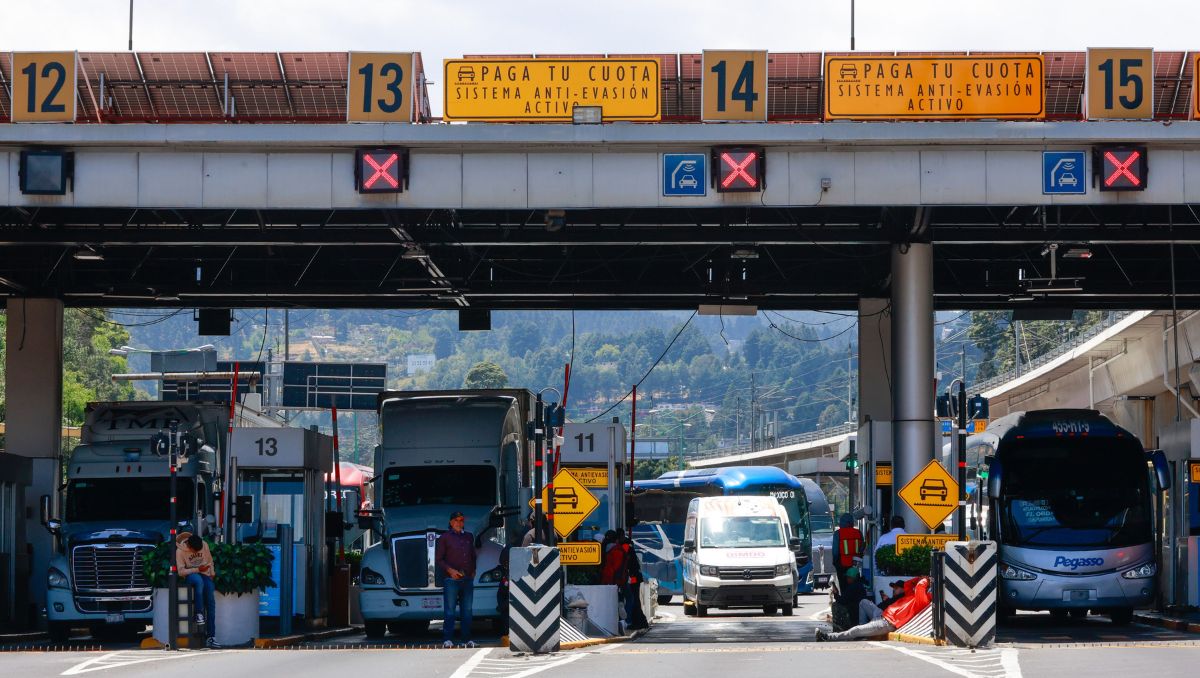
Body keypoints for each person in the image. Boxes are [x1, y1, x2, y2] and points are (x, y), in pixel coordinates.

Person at [816, 577, 932, 641]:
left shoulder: (922, 600)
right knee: (863, 603)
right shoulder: (911, 595)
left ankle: (828, 637)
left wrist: (927, 579)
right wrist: (920, 577)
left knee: (855, 630)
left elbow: (920, 586)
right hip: (882, 615)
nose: (894, 590)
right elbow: (908, 584)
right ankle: (863, 631)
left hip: (886, 623)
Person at [435, 511, 478, 648]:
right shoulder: (445, 538)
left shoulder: (469, 536)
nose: (459, 523)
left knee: (467, 610)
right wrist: (450, 571)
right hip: (451, 579)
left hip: (467, 578)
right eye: (457, 520)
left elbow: (473, 555)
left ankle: (466, 639)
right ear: (451, 522)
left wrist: (474, 571)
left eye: (462, 520)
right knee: (450, 610)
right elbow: (439, 560)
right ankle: (447, 639)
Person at [176, 532, 219, 649]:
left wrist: (212, 573)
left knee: (211, 601)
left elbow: (210, 560)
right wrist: (197, 569)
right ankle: (198, 613)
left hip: (204, 573)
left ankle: (211, 637)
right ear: (189, 546)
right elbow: (180, 572)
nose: (196, 553)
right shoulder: (180, 551)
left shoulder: (204, 544)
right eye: (195, 551)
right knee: (198, 580)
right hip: (190, 575)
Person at [832, 513, 864, 590]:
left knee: (843, 584)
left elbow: (835, 551)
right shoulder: (859, 533)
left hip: (842, 564)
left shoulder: (838, 533)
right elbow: (862, 547)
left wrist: (835, 562)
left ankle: (845, 599)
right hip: (855, 564)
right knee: (855, 584)